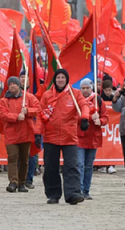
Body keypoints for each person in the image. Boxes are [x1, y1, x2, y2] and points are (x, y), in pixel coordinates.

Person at [38, 69, 90, 205]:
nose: (60, 80)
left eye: (63, 77)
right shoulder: (47, 95)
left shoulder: (75, 94)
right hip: (51, 137)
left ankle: (73, 194)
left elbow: (84, 106)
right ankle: (53, 194)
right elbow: (40, 115)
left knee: (72, 166)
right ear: (55, 79)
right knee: (50, 167)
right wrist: (38, 133)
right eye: (58, 77)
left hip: (69, 137)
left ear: (67, 80)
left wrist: (84, 118)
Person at [0, 76, 40, 194]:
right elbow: (3, 114)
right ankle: (13, 182)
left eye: (14, 84)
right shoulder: (4, 101)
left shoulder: (29, 97)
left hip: (26, 133)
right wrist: (16, 117)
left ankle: (22, 182)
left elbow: (38, 108)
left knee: (24, 159)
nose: (12, 86)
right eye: (10, 84)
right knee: (12, 158)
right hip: (11, 134)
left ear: (18, 85)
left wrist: (28, 111)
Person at [77, 79, 107, 199]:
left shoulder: (98, 100)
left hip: (93, 137)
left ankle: (86, 190)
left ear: (91, 88)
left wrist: (100, 121)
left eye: (87, 88)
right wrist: (90, 117)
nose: (85, 90)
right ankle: (78, 189)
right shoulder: (77, 100)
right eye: (83, 88)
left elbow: (105, 116)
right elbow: (74, 116)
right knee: (80, 165)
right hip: (80, 136)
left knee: (89, 166)